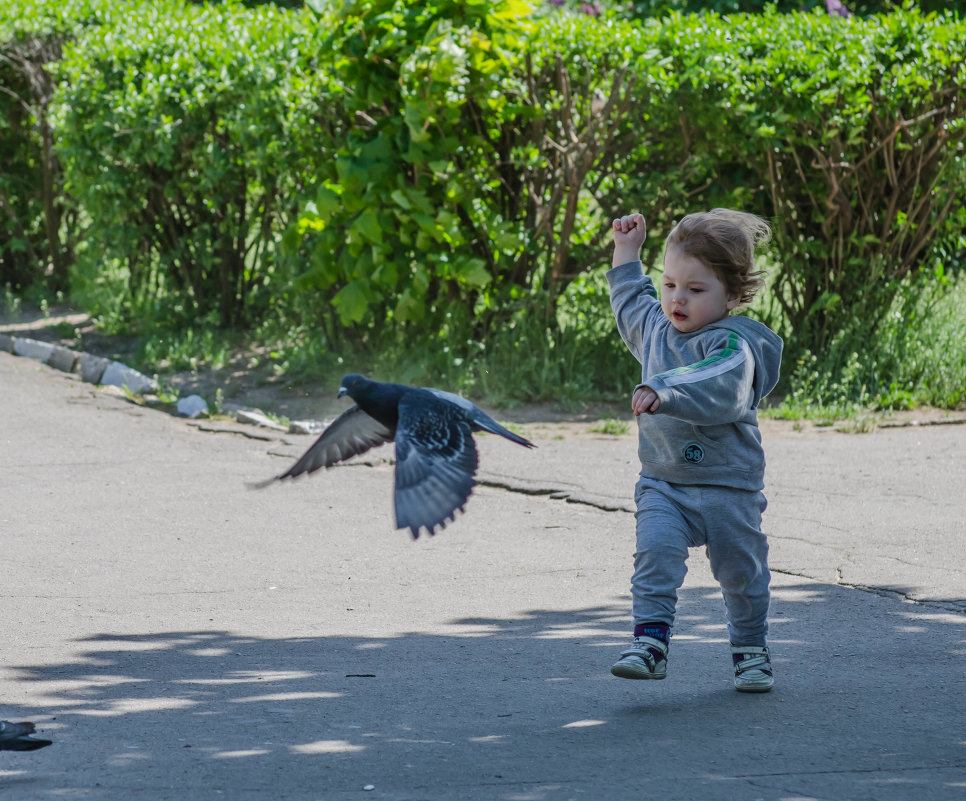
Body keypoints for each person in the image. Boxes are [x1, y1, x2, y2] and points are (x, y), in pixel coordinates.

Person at [606, 209, 783, 692]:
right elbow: (628, 303)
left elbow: (717, 382)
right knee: (655, 554)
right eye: (669, 285)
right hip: (666, 483)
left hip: (729, 487)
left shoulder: (734, 345)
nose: (676, 299)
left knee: (741, 575)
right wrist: (627, 252)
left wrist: (665, 390)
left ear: (732, 294)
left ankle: (750, 648)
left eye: (695, 290)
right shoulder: (657, 330)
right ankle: (649, 643)